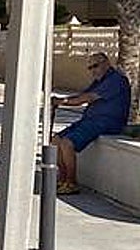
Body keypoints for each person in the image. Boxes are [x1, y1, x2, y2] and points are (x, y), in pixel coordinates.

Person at [50, 52, 132, 194]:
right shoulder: (99, 81)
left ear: (106, 63)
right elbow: (81, 95)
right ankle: (62, 180)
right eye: (89, 68)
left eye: (95, 66)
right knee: (56, 140)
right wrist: (61, 99)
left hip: (106, 122)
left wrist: (62, 102)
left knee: (67, 143)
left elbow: (87, 98)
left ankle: (71, 183)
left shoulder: (116, 80)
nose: (92, 70)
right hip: (91, 120)